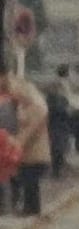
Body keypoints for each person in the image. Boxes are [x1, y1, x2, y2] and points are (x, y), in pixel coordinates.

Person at [0, 66, 49, 217]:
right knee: (26, 179)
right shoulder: (24, 107)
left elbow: (30, 131)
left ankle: (31, 209)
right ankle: (29, 208)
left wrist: (16, 142)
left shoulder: (36, 108)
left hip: (35, 152)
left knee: (30, 180)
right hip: (27, 152)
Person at [45, 74, 71, 179]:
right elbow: (66, 113)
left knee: (57, 151)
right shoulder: (57, 100)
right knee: (57, 151)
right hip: (57, 128)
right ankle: (56, 172)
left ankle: (56, 171)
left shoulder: (54, 100)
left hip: (56, 128)